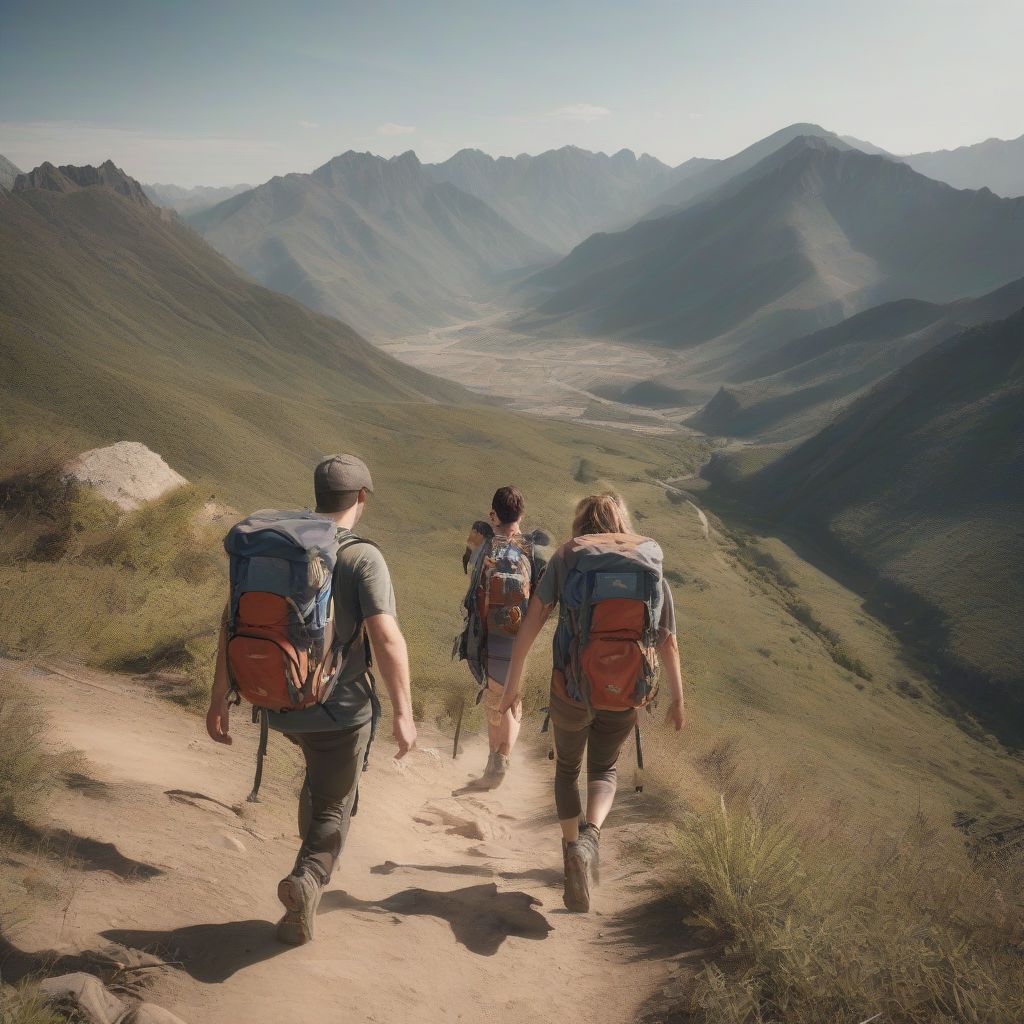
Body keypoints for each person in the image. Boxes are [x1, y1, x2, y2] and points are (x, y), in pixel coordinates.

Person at [206, 454, 417, 945]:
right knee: (333, 803)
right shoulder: (363, 557)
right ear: (361, 498)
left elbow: (229, 622)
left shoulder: (278, 547)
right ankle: (307, 881)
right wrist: (404, 714)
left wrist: (219, 698)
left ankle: (308, 864)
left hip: (275, 703)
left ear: (319, 495)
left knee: (319, 783)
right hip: (337, 713)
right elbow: (386, 639)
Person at [500, 492, 686, 912]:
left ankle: (571, 853)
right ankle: (591, 839)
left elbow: (533, 621)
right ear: (621, 520)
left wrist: (513, 684)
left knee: (567, 770)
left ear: (581, 522)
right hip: (627, 690)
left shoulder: (568, 557)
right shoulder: (647, 561)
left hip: (571, 685)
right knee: (605, 768)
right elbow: (667, 639)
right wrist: (677, 700)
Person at [457, 486, 548, 787]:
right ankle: (501, 759)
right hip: (519, 635)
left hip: (487, 633)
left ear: (494, 512)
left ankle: (493, 761)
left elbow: (469, 567)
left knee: (494, 696)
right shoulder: (533, 546)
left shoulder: (484, 541)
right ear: (521, 514)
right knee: (511, 698)